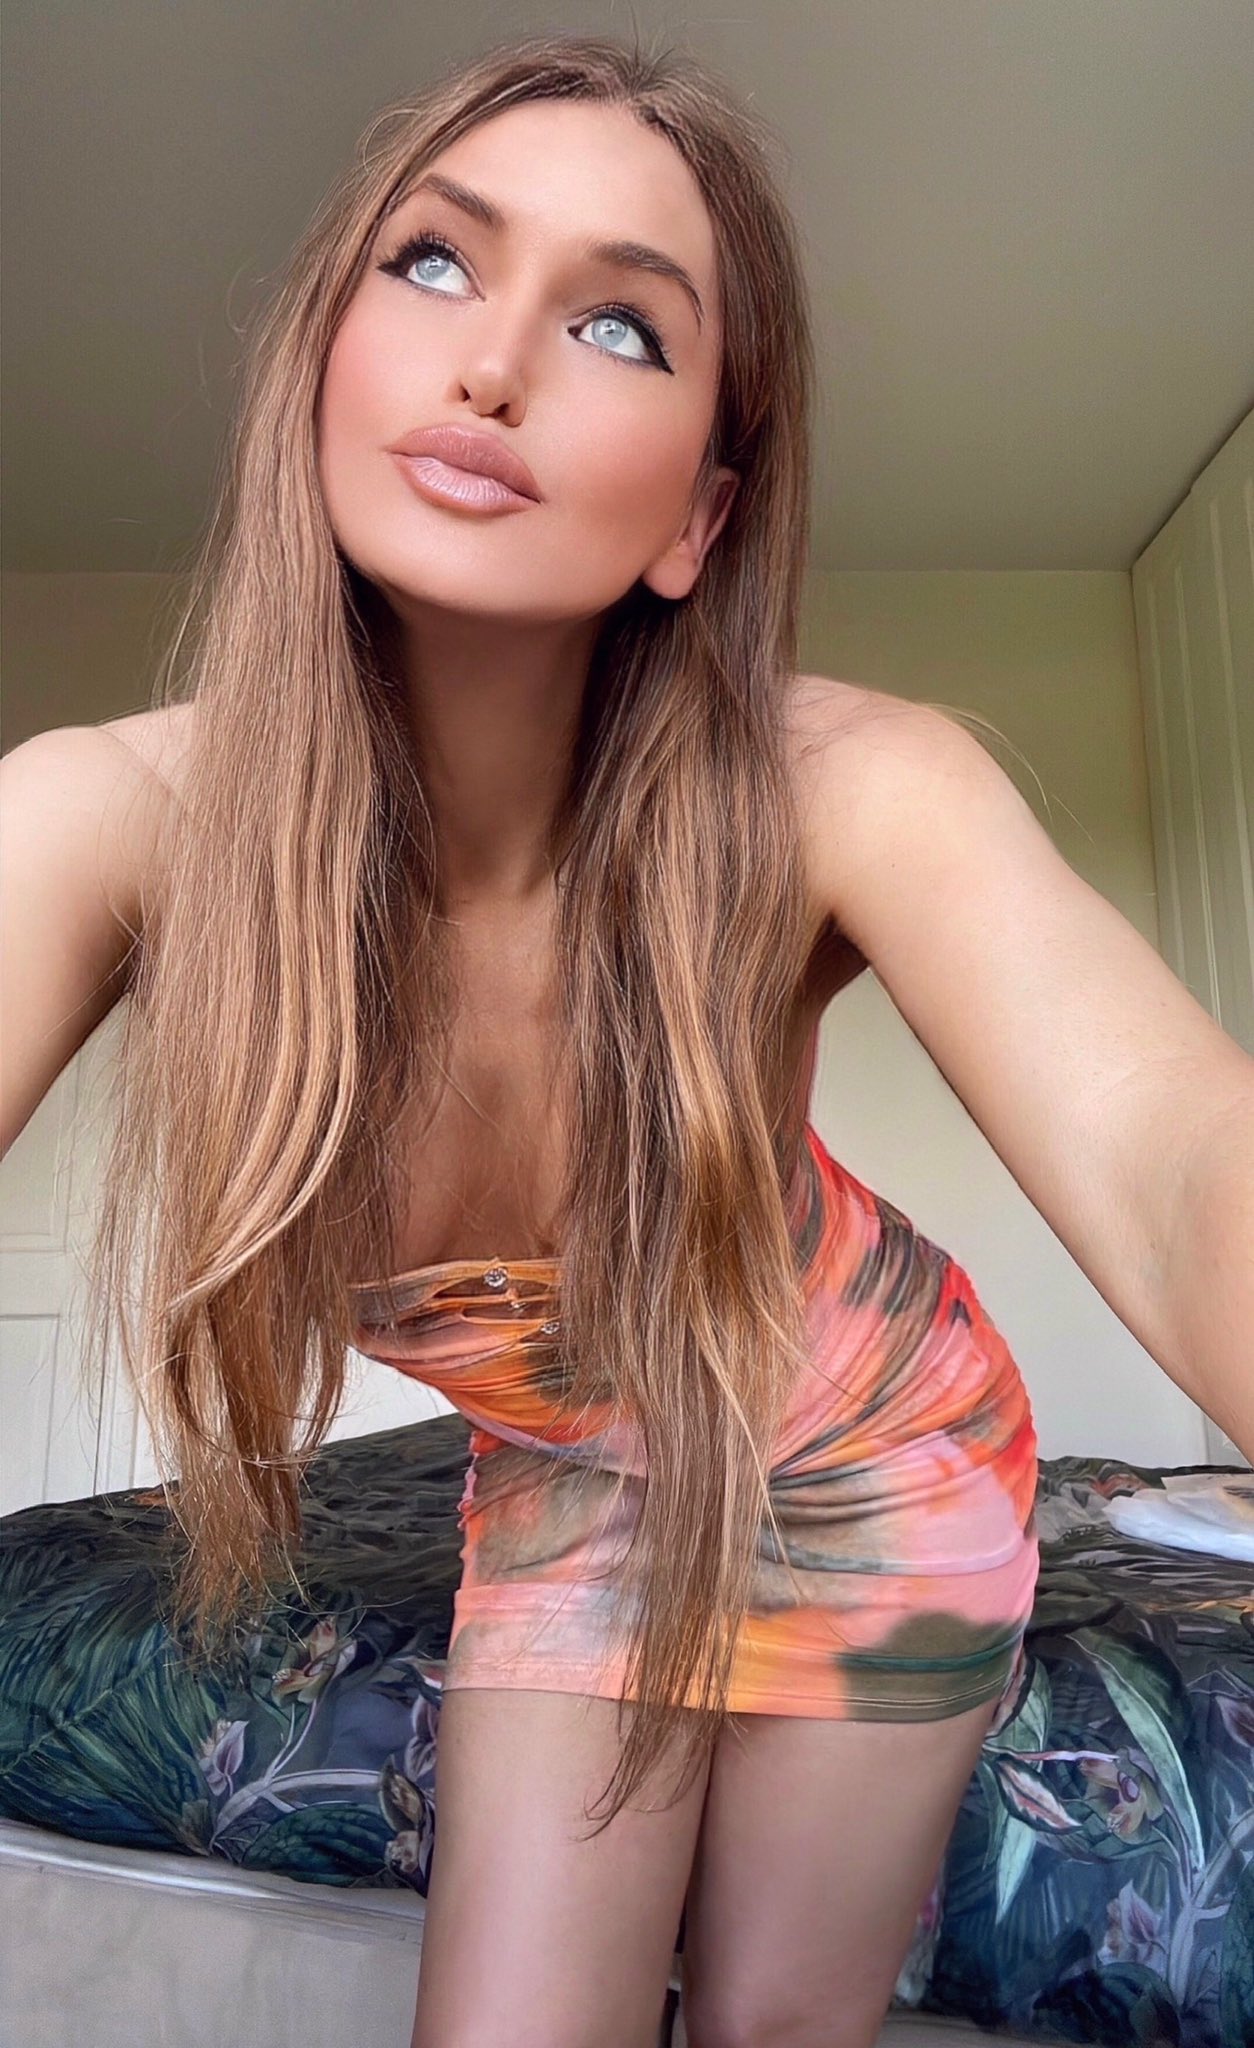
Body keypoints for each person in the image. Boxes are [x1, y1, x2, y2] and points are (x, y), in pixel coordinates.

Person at [3, 30, 1251, 2048]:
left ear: (698, 515)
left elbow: (1181, 1162)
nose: (493, 360)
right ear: (320, 364)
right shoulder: (100, 820)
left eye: (618, 324)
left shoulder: (843, 787)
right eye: (432, 262)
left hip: (878, 1452)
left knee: (771, 2028)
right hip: (582, 1476)